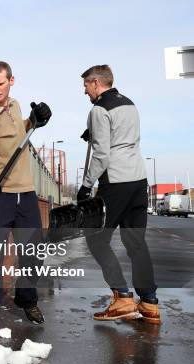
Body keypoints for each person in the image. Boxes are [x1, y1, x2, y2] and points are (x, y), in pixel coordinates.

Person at [0, 61, 52, 339]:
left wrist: (35, 121)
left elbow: (20, 135)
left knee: (32, 252)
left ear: (11, 81)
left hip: (25, 192)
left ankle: (26, 299)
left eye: (0, 83)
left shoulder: (15, 106)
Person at [77, 65, 160, 324]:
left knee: (97, 240)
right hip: (138, 181)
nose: (84, 91)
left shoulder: (99, 109)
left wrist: (86, 185)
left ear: (96, 83)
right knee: (136, 242)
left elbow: (102, 155)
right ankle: (149, 303)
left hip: (116, 183)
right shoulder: (130, 104)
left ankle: (122, 298)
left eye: (86, 86)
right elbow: (123, 138)